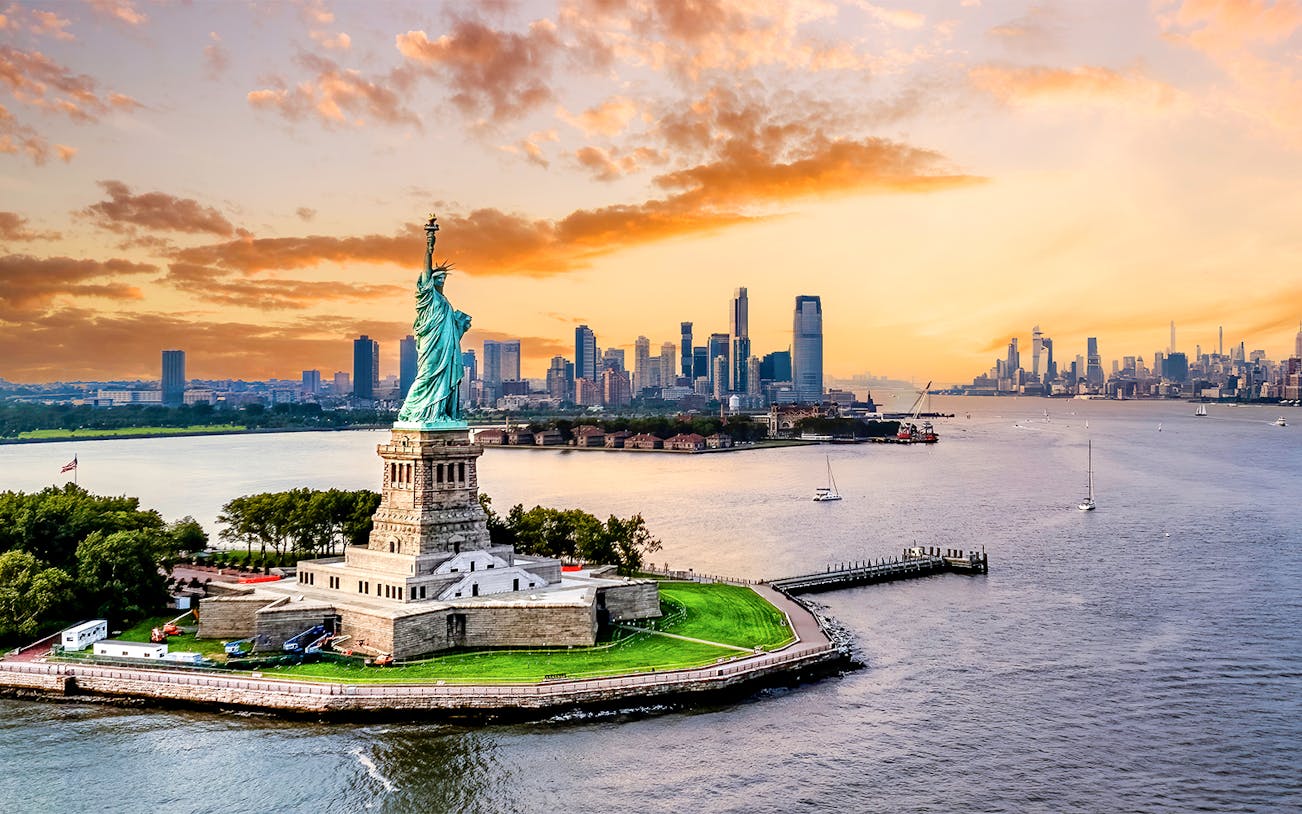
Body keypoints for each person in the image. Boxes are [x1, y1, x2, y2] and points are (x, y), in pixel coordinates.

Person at [397, 215, 472, 426]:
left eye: (443, 279)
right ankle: (411, 411)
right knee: (426, 377)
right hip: (431, 346)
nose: (441, 281)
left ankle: (439, 414)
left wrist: (460, 325)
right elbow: (425, 271)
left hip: (445, 348)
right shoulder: (428, 297)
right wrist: (429, 244)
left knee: (443, 379)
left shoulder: (446, 302)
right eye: (438, 278)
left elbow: (452, 331)